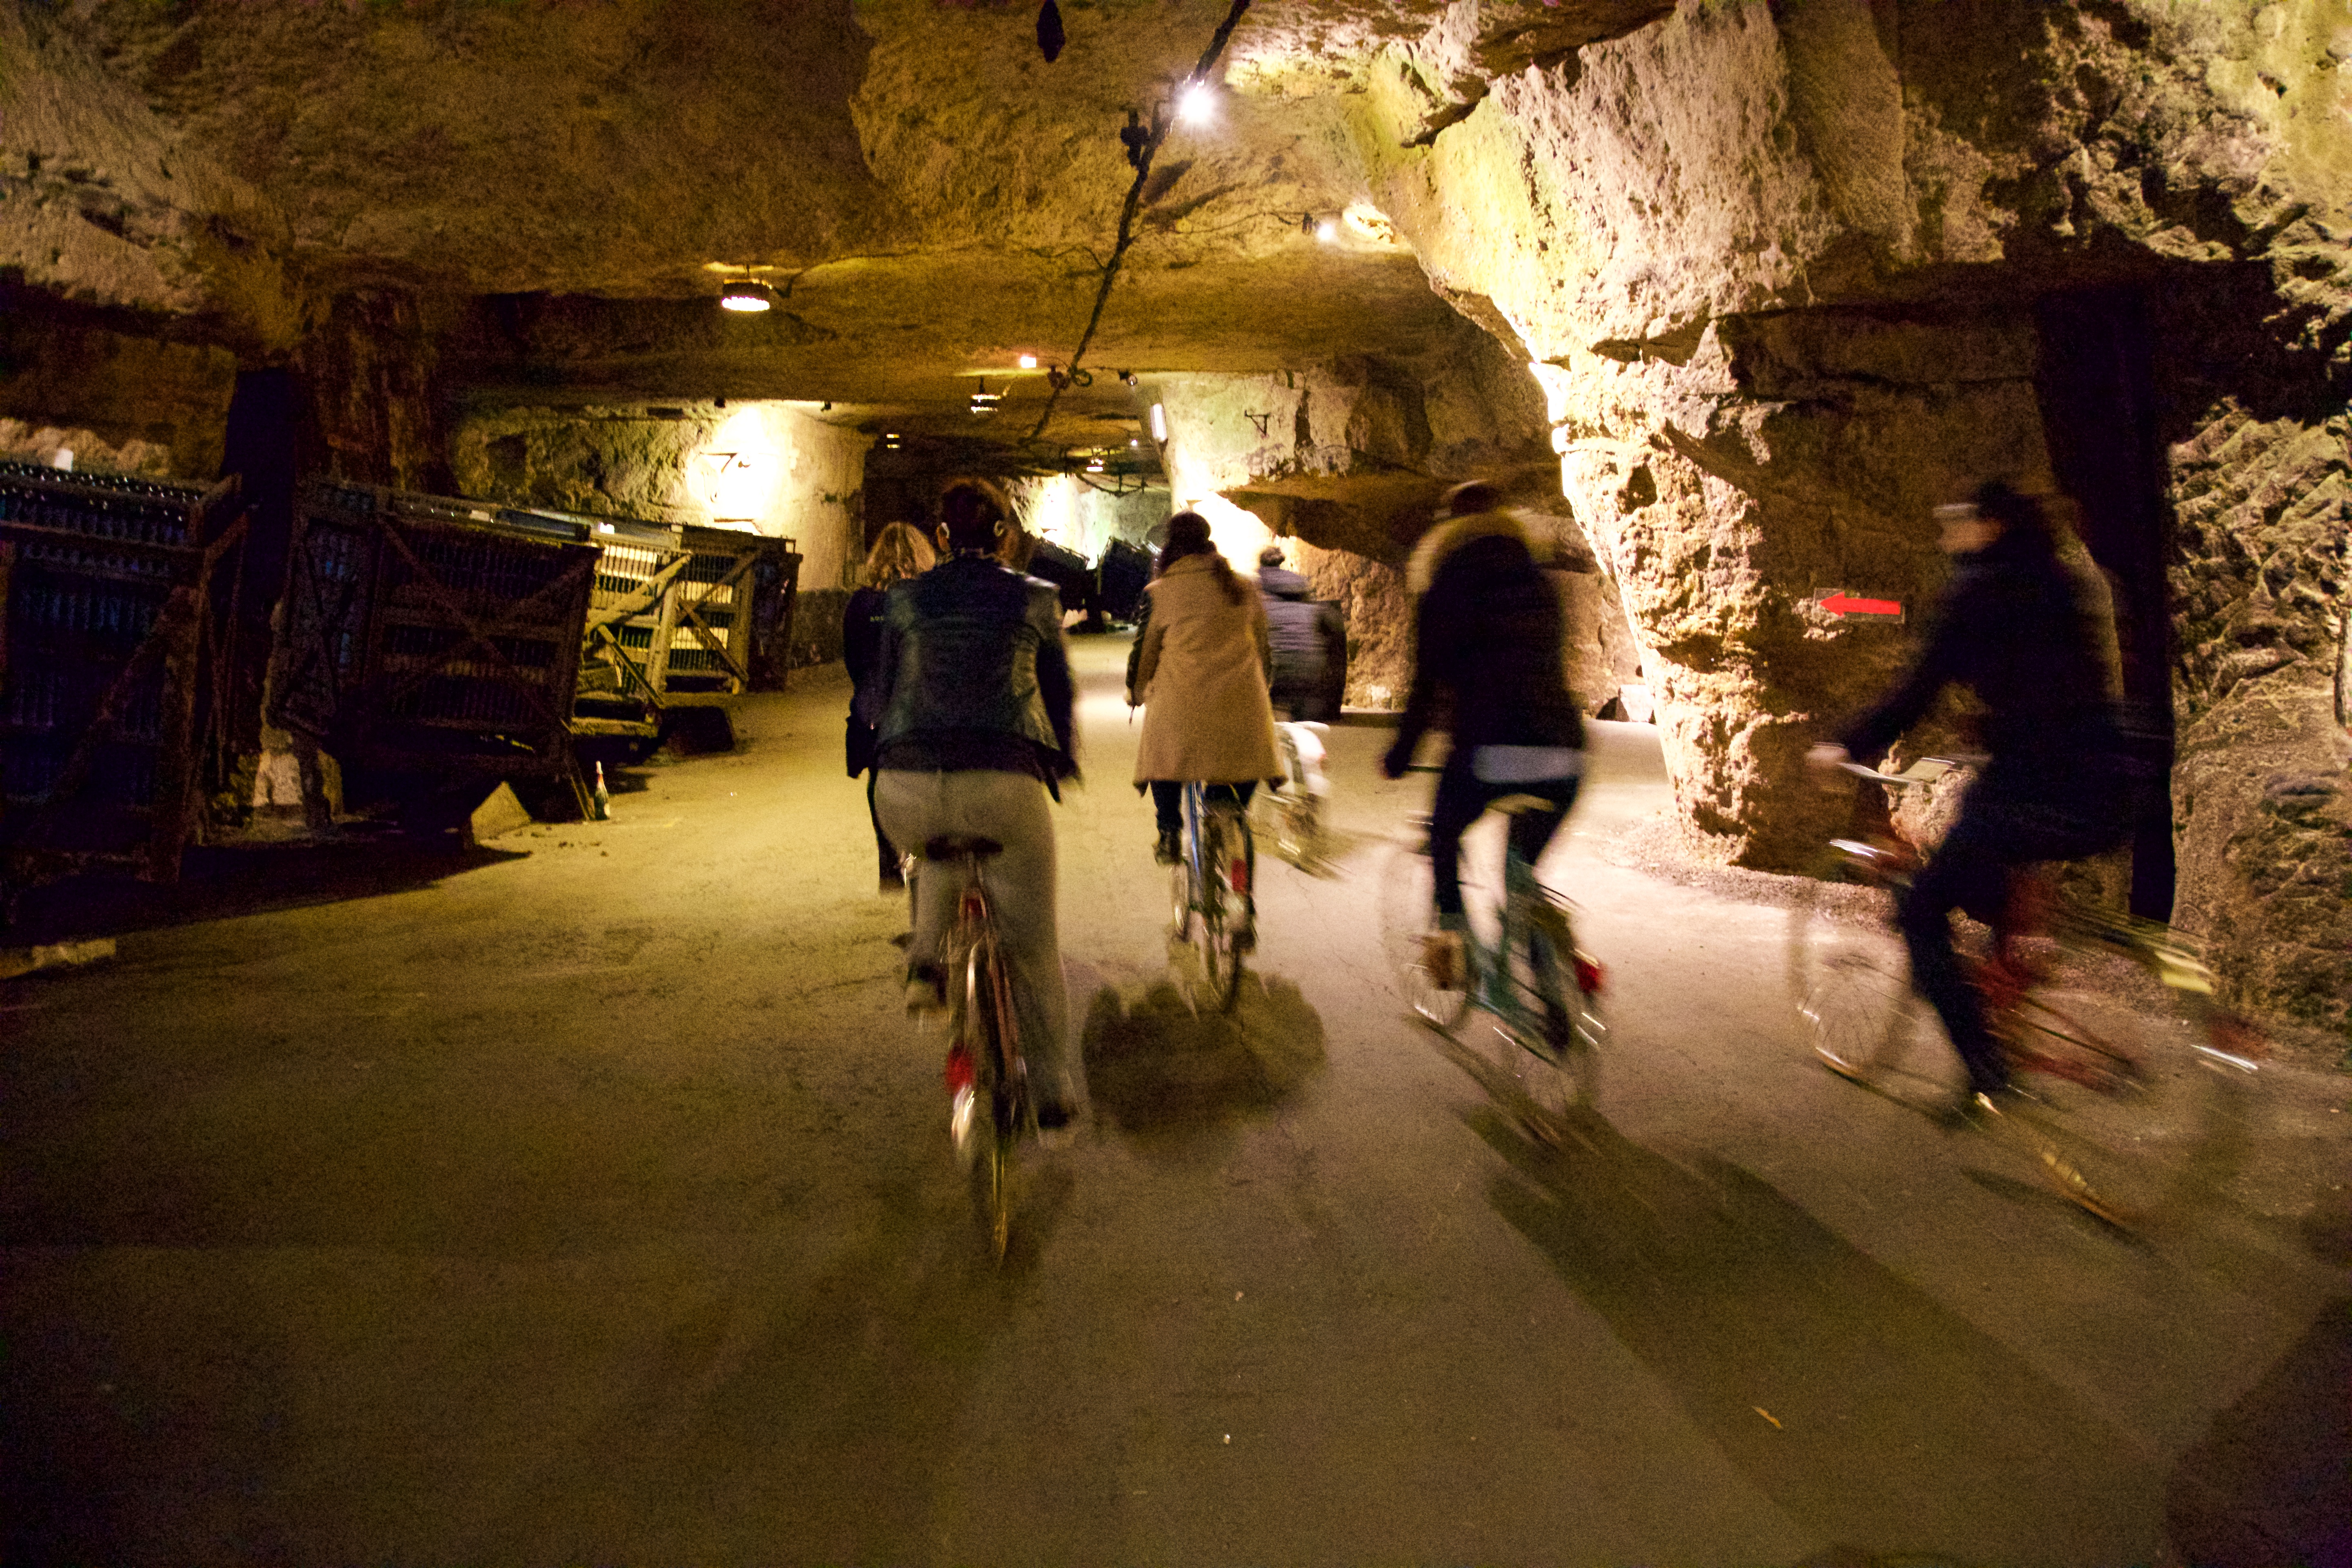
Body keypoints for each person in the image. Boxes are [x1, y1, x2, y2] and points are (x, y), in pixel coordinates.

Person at [1808, 480, 2130, 1115]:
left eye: (1954, 522)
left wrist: (1844, 744)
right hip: (2105, 782)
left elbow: (1916, 688)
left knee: (1922, 912)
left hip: (2031, 785)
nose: (1945, 535)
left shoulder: (1977, 591)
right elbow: (2060, 686)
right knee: (1988, 874)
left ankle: (1986, 1067)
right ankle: (2008, 986)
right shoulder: (2061, 580)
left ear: (1989, 525)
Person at [871, 483, 1082, 1128]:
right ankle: (1051, 1099)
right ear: (1005, 538)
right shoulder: (1036, 599)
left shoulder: (903, 599)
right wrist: (1062, 761)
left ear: (939, 538)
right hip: (1001, 777)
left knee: (936, 847)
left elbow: (879, 695)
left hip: (903, 782)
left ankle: (925, 968)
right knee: (1032, 945)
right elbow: (1058, 690)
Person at [1381, 482, 1586, 989]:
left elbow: (1427, 685)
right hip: (1566, 753)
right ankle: (1545, 966)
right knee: (1522, 871)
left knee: (1445, 832)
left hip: (1491, 751)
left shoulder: (1446, 586)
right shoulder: (1541, 582)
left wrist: (1402, 754)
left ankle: (1451, 942)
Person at [1128, 512, 1280, 866]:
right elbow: (1263, 650)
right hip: (1243, 712)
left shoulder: (1161, 592)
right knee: (1237, 780)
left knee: (1163, 755)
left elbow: (1145, 655)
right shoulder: (1245, 587)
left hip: (1181, 714)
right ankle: (1227, 816)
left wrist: (1136, 692)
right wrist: (1265, 689)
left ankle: (1168, 831)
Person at [843, 522, 935, 893]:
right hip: (920, 709)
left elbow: (852, 659)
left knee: (879, 780)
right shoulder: (927, 600)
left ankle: (888, 860)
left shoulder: (861, 603)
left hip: (875, 711)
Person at [1257, 545, 1346, 721]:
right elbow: (1335, 626)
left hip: (1279, 673)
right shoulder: (1301, 589)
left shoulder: (1256, 593)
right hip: (1312, 669)